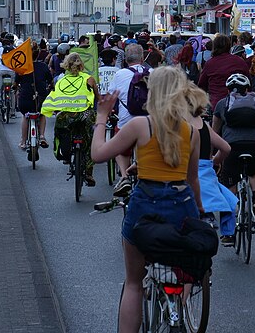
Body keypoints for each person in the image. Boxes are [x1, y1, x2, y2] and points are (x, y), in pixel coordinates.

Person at [90, 67, 203, 333]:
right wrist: (199, 209)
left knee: (133, 282)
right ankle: (179, 303)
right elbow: (191, 179)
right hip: (182, 206)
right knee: (183, 264)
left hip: (145, 205)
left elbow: (98, 154)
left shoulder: (140, 125)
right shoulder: (191, 132)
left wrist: (101, 116)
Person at [186, 84, 237, 246]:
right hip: (205, 171)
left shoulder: (178, 123)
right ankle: (226, 230)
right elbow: (226, 148)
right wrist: (214, 162)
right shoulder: (203, 126)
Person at [212, 72, 255, 215]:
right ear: (247, 89)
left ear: (228, 89)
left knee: (230, 177)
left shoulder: (222, 104)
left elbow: (213, 133)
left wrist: (213, 156)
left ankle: (232, 211)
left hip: (232, 146)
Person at [41, 52, 99, 185]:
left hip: (66, 116)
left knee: (61, 131)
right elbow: (98, 98)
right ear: (81, 65)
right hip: (85, 116)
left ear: (66, 65)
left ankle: (65, 155)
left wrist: (50, 109)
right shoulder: (89, 79)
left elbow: (54, 97)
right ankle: (89, 172)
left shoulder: (61, 81)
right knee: (91, 140)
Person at [109, 43, 151, 197]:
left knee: (120, 148)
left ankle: (124, 177)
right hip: (148, 123)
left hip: (126, 123)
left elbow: (111, 96)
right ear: (142, 57)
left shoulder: (119, 75)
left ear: (126, 59)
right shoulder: (152, 73)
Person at [15, 41, 53, 150]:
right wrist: (51, 87)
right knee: (42, 114)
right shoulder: (43, 66)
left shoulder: (22, 67)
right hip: (40, 98)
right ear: (38, 54)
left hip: (25, 98)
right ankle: (41, 136)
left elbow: (16, 83)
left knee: (25, 116)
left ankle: (23, 141)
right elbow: (50, 81)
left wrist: (15, 87)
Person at [198, 34, 250, 111]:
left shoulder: (210, 63)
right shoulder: (239, 61)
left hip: (216, 105)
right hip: (239, 105)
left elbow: (201, 86)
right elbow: (249, 83)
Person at [0, 34, 17, 116]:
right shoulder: (15, 50)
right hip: (11, 72)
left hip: (1, 71)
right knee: (12, 91)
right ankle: (12, 111)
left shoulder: (0, 50)